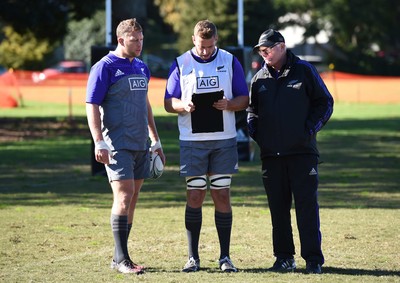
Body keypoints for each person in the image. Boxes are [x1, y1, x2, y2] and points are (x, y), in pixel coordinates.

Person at [164, 19, 249, 273]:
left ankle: (225, 257)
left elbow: (244, 99)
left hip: (224, 140)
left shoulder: (229, 60)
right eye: (201, 46)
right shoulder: (181, 63)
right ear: (193, 40)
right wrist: (184, 105)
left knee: (222, 194)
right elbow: (169, 102)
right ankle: (193, 258)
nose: (205, 51)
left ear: (216, 42)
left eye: (210, 46)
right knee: (195, 194)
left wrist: (229, 105)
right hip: (192, 141)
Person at [247, 29, 333, 274]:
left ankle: (313, 259)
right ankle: (284, 257)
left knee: (306, 208)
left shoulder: (305, 71)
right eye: (261, 51)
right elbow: (251, 112)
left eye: (268, 49)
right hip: (271, 157)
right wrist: (259, 135)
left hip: (302, 154)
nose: (264, 54)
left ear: (282, 46)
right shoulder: (259, 78)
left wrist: (308, 130)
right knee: (278, 209)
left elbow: (325, 102)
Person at [86, 18, 165, 275]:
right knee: (123, 196)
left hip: (141, 143)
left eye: (141, 39)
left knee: (132, 198)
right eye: (134, 40)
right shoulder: (104, 67)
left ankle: (119, 257)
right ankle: (122, 261)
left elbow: (146, 104)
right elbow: (92, 105)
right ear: (121, 40)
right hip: (117, 144)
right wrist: (99, 141)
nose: (139, 44)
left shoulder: (142, 67)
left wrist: (156, 140)